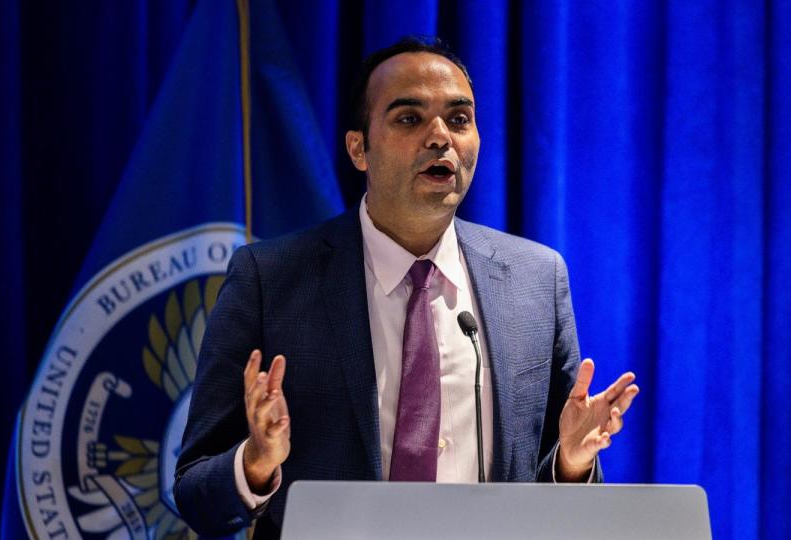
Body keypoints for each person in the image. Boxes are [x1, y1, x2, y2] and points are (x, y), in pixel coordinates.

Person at [174, 37, 640, 538]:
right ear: (359, 148)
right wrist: (256, 463)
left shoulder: (536, 279)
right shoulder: (271, 279)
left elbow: (557, 492)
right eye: (409, 119)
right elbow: (195, 491)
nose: (440, 136)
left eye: (459, 119)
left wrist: (570, 461)